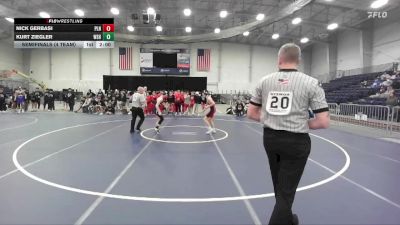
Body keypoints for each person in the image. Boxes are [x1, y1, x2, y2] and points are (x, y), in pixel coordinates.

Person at [247, 43, 330, 225]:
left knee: (280, 186)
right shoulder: (311, 83)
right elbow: (323, 121)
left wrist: (272, 120)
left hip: (270, 139)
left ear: (279, 59)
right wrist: (301, 123)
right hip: (296, 142)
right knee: (286, 192)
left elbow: (251, 113)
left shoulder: (264, 81)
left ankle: (289, 220)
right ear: (298, 60)